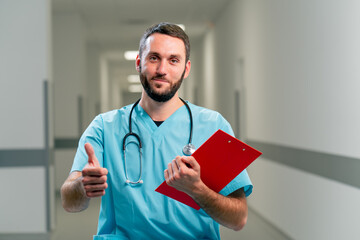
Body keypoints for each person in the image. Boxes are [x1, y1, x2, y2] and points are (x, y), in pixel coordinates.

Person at [61, 22, 253, 240]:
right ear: (138, 62)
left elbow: (238, 219)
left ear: (186, 68)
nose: (162, 70)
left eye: (173, 60)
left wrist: (197, 189)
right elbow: (69, 201)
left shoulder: (213, 126)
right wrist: (82, 186)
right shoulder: (105, 127)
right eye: (154, 58)